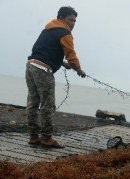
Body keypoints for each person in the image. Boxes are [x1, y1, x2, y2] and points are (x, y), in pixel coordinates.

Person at [26, 6, 86, 148]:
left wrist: (63, 64)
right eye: (71, 19)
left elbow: (45, 50)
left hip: (31, 65)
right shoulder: (65, 32)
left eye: (75, 21)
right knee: (47, 104)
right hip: (43, 70)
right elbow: (71, 53)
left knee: (33, 104)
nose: (73, 23)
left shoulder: (48, 30)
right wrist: (78, 69)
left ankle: (33, 137)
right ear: (62, 18)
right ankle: (47, 138)